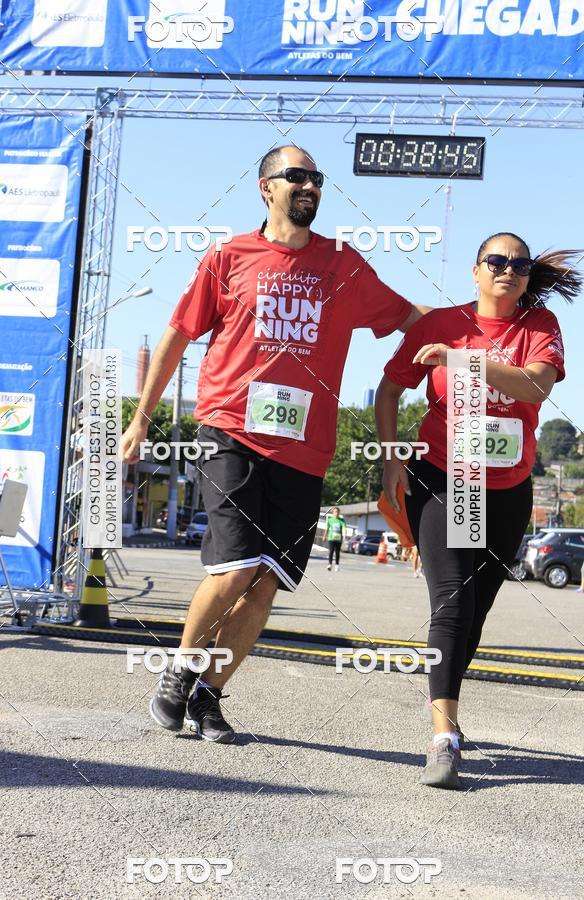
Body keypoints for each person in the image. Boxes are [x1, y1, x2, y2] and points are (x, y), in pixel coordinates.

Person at [120, 144, 431, 744]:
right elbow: (177, 337)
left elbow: (407, 314)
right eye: (297, 176)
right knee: (236, 567)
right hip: (230, 429)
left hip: (305, 450)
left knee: (266, 584)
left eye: (316, 177)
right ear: (266, 187)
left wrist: (477, 328)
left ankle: (209, 698)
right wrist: (141, 420)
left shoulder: (343, 265)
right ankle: (178, 674)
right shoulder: (228, 256)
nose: (310, 185)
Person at [376, 232, 581, 788]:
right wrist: (393, 461)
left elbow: (535, 389)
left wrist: (464, 360)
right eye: (496, 261)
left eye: (518, 264)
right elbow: (389, 390)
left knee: (475, 613)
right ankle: (444, 735)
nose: (507, 271)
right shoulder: (440, 322)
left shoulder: (539, 328)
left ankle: (446, 709)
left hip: (508, 487)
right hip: (446, 476)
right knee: (452, 600)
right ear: (475, 270)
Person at [324, 507, 346, 571]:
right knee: (331, 551)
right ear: (333, 513)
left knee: (337, 552)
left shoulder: (342, 520)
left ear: (339, 513)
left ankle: (337, 565)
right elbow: (327, 529)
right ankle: (330, 564)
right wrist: (324, 536)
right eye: (335, 512)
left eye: (337, 512)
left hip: (339, 539)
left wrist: (345, 534)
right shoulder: (330, 520)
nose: (336, 513)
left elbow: (344, 528)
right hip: (331, 538)